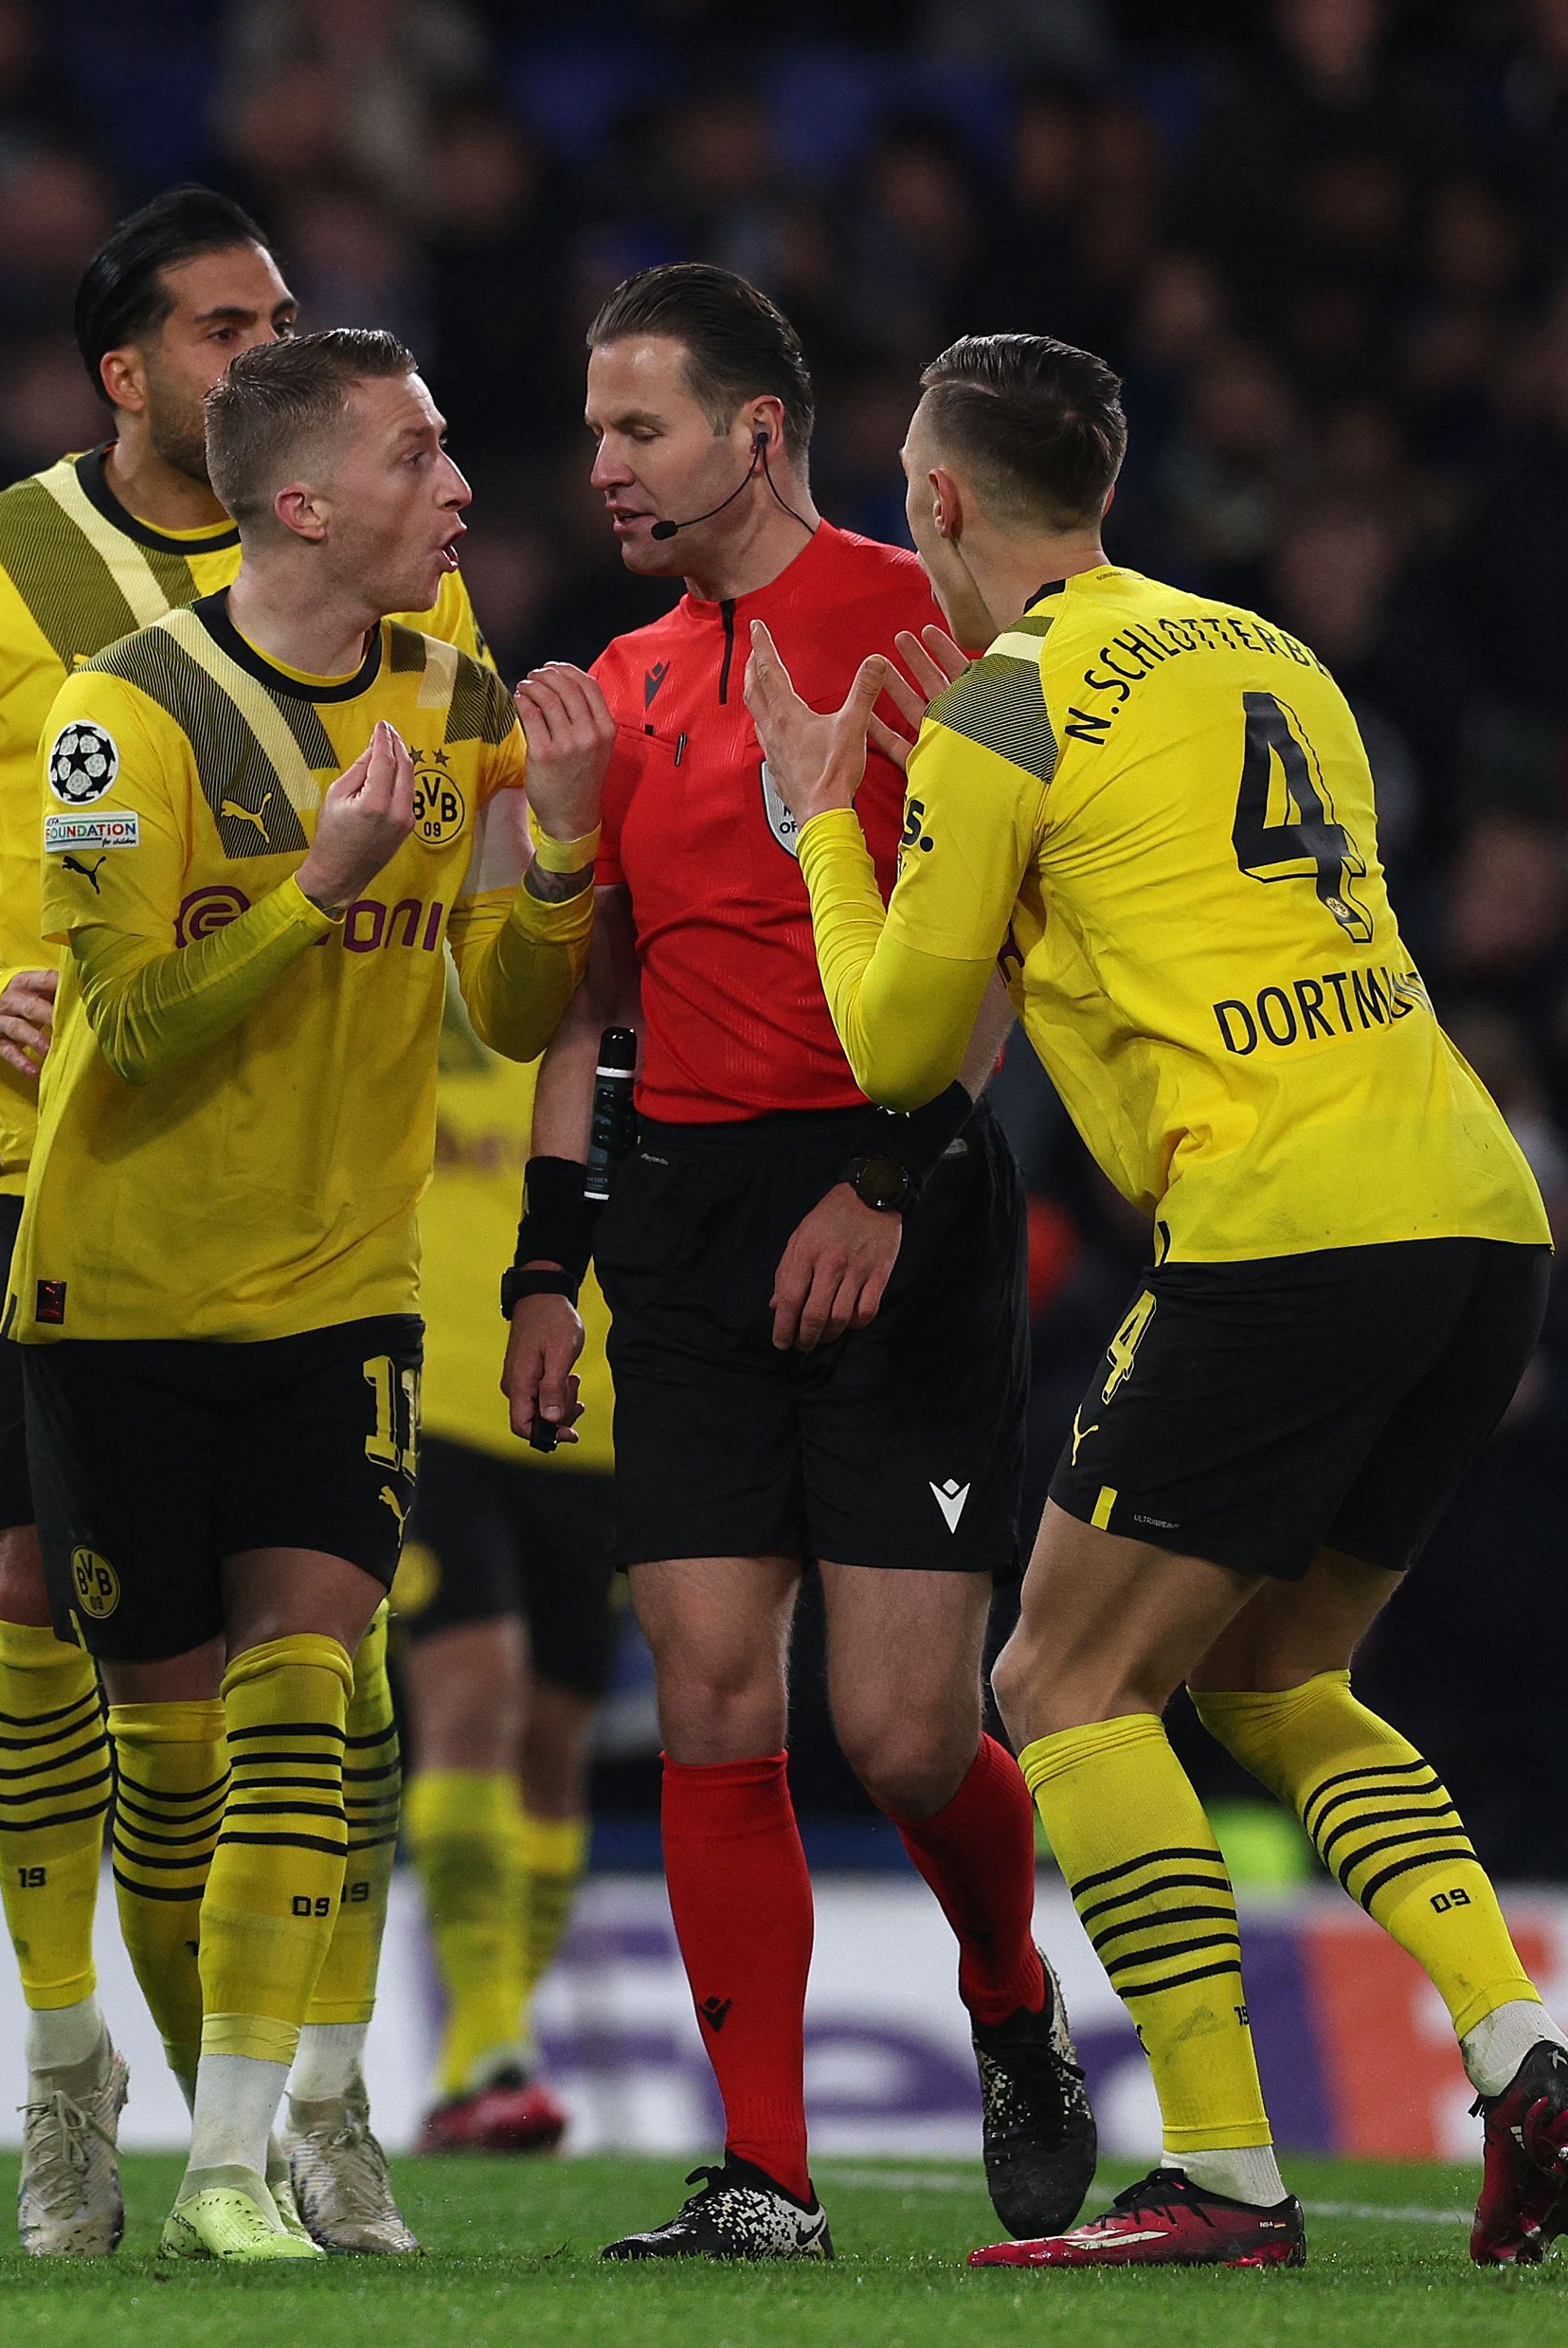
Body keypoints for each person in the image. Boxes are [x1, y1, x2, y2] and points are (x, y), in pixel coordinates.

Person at [763, 331, 1568, 2270]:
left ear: (940, 499)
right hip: (1473, 1212)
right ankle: (1517, 2048)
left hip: (1281, 1225)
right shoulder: (1269, 654)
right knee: (1268, 1677)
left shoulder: (1005, 699)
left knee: (1056, 1682)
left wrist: (822, 808)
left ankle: (1223, 2175)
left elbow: (898, 1043)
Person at [0, 186, 477, 2253]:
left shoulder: (385, 582)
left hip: (326, 1195)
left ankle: (312, 2100)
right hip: (60, 1168)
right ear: (127, 373)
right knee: (38, 1616)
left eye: (278, 317)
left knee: (326, 1655)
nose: (254, 348)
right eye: (217, 327)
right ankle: (63, 2075)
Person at [9, 326, 605, 2260]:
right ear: (297, 500)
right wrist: (318, 882)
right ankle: (166, 2098)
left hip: (341, 1300)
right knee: (163, 1783)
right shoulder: (123, 711)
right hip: (120, 1287)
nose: (456, 485)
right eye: (415, 454)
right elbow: (127, 1020)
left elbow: (504, 1014)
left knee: (304, 1703)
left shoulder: (450, 690)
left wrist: (561, 861)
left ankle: (237, 2162)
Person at [516, 264, 1087, 2259]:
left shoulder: (923, 629)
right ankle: (762, 2173)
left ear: (753, 432)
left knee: (909, 1734)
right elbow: (590, 1004)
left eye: (638, 427)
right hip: (677, 1217)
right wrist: (538, 1265)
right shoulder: (622, 677)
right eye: (594, 430)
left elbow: (999, 948)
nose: (602, 465)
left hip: (895, 1191)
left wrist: (887, 1171)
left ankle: (1009, 2010)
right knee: (701, 1692)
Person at [397, 995, 615, 2155]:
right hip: (438, 1380)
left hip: (601, 1401)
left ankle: (484, 2052)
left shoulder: (606, 943)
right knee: (475, 1690)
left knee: (554, 1734)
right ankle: (485, 2043)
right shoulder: (417, 910)